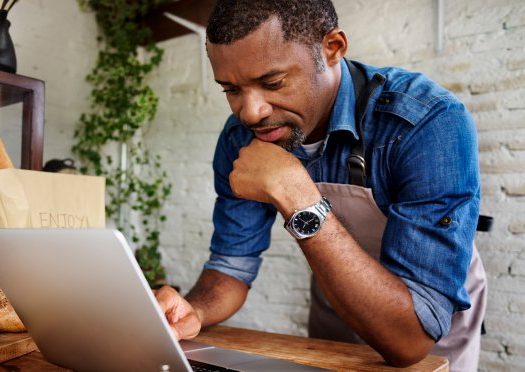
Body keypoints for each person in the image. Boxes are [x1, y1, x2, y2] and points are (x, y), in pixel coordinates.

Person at [154, 0, 487, 370]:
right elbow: (232, 265)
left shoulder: (427, 123)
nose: (250, 112)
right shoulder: (241, 139)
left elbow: (408, 342)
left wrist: (296, 194)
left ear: (332, 49)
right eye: (230, 90)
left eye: (272, 83)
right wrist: (194, 308)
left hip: (430, 323)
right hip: (336, 308)